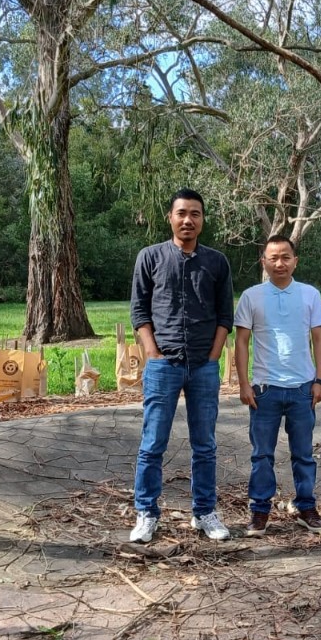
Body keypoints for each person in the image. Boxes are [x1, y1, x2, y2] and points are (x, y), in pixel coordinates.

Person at [128, 189, 234, 543]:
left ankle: (205, 512)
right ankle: (146, 513)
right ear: (170, 217)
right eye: (182, 213)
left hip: (204, 366)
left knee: (204, 443)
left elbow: (224, 316)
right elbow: (140, 312)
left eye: (196, 214)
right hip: (163, 366)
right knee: (152, 442)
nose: (188, 220)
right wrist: (153, 355)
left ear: (203, 220)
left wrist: (214, 357)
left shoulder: (216, 262)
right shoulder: (151, 257)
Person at [234, 235, 321, 537]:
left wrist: (319, 379)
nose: (280, 263)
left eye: (286, 257)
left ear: (295, 261)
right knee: (262, 454)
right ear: (264, 261)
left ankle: (306, 508)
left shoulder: (310, 294)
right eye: (273, 258)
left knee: (303, 453)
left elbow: (319, 338)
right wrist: (244, 384)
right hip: (265, 389)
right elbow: (241, 341)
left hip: (302, 388)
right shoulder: (251, 296)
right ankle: (260, 512)